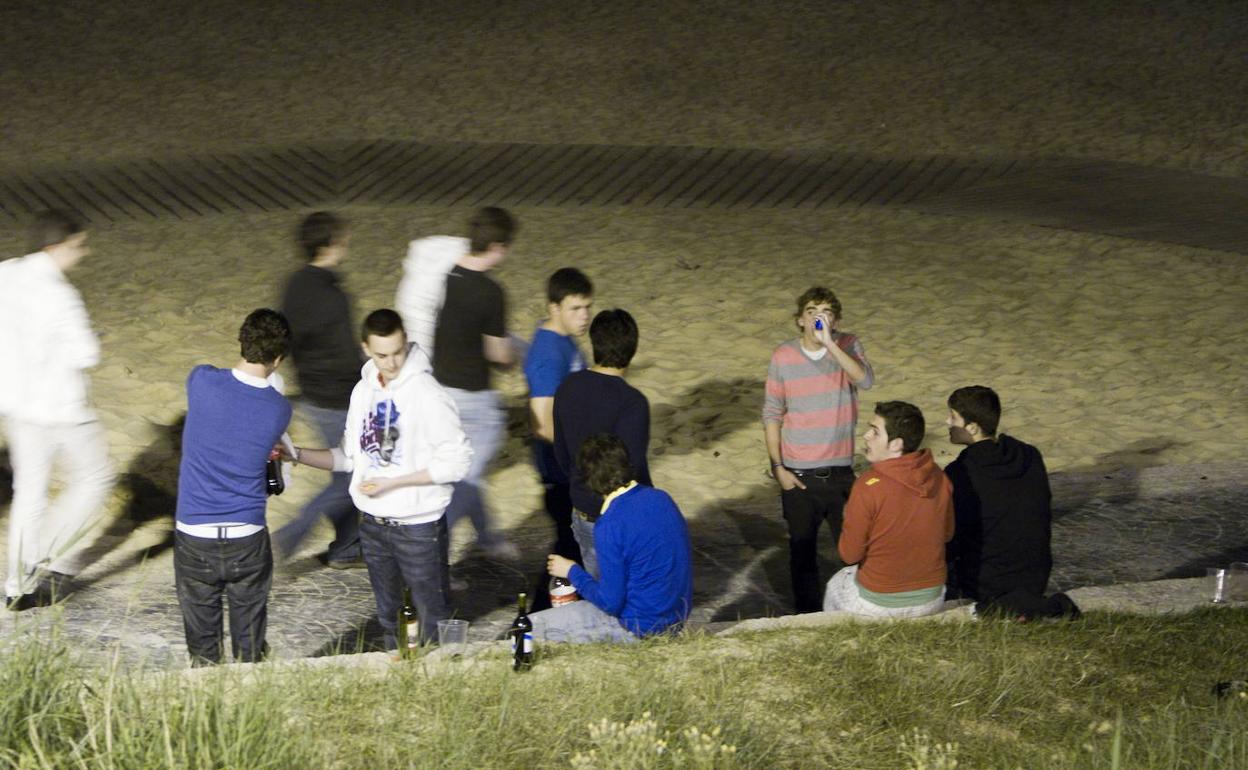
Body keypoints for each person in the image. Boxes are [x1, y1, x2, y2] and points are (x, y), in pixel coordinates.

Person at [294, 310, 472, 647]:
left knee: (433, 619)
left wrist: (394, 483)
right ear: (366, 349)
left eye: (397, 352)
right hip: (373, 526)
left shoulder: (427, 394)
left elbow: (458, 462)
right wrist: (297, 454)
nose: (391, 363)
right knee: (389, 618)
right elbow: (348, 457)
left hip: (419, 528)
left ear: (406, 343)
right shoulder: (362, 392)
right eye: (381, 355)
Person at [0, 210, 114, 611]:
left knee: (29, 491)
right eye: (78, 245)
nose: (83, 253)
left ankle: (17, 584)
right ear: (55, 247)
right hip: (62, 409)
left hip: (18, 404)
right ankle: (48, 552)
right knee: (96, 478)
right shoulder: (60, 294)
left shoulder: (6, 274)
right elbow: (87, 353)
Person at [174, 309, 293, 665]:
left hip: (195, 532)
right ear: (279, 359)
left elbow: (224, 379)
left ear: (242, 341)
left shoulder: (201, 381)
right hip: (247, 534)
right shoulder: (278, 409)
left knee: (203, 650)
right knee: (250, 643)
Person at [763, 287, 874, 613]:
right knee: (802, 553)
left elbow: (864, 380)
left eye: (825, 311)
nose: (817, 316)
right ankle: (808, 616)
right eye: (811, 310)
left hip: (840, 473)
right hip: (798, 474)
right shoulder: (783, 355)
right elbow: (772, 412)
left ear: (835, 319)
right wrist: (778, 468)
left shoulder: (848, 344)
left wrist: (830, 345)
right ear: (800, 319)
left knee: (852, 551)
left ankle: (854, 611)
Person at [422, 207, 519, 558]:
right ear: (496, 246)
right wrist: (514, 357)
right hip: (474, 397)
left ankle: (487, 537)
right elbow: (497, 353)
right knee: (467, 478)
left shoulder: (451, 274)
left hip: (442, 388)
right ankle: (430, 557)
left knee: (464, 470)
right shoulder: (492, 292)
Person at [534, 433, 691, 643]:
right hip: (676, 619)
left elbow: (610, 603)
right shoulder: (661, 498)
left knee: (531, 627)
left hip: (639, 628)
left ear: (589, 479)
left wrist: (571, 571)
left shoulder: (610, 523)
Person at [273, 212, 364, 568]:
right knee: (349, 479)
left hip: (311, 391)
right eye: (342, 239)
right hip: (338, 396)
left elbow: (288, 339)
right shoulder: (333, 296)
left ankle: (345, 548)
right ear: (330, 244)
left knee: (344, 475)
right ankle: (292, 534)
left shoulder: (294, 284)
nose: (346, 244)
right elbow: (345, 355)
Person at [944, 386, 1080, 620]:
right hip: (1035, 576)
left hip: (986, 583)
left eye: (953, 417)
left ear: (973, 427)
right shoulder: (1029, 455)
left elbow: (955, 537)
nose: (947, 422)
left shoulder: (961, 471)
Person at [824, 401, 953, 618]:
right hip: (932, 597)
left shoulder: (868, 486)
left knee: (835, 585)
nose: (866, 436)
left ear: (896, 444)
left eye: (875, 432)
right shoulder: (940, 477)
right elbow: (947, 534)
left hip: (879, 603)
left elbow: (849, 554)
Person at [552, 309, 650, 577]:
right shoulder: (632, 402)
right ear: (632, 348)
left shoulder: (568, 387)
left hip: (583, 510)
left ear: (594, 343)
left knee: (600, 591)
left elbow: (560, 452)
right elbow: (634, 467)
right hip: (619, 518)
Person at [523, 267, 594, 568]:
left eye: (588, 307)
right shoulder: (548, 354)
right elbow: (543, 421)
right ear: (555, 308)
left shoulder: (563, 338)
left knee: (574, 547)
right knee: (571, 548)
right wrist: (579, 462)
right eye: (575, 308)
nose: (584, 316)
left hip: (571, 464)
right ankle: (539, 612)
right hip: (561, 468)